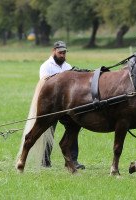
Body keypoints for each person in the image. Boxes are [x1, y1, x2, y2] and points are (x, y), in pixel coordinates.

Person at [39, 41, 85, 170]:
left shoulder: (68, 66)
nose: (62, 55)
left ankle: (73, 160)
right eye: (60, 52)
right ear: (53, 51)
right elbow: (45, 84)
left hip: (67, 106)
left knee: (73, 128)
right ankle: (45, 161)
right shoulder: (46, 66)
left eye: (64, 53)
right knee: (49, 132)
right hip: (52, 105)